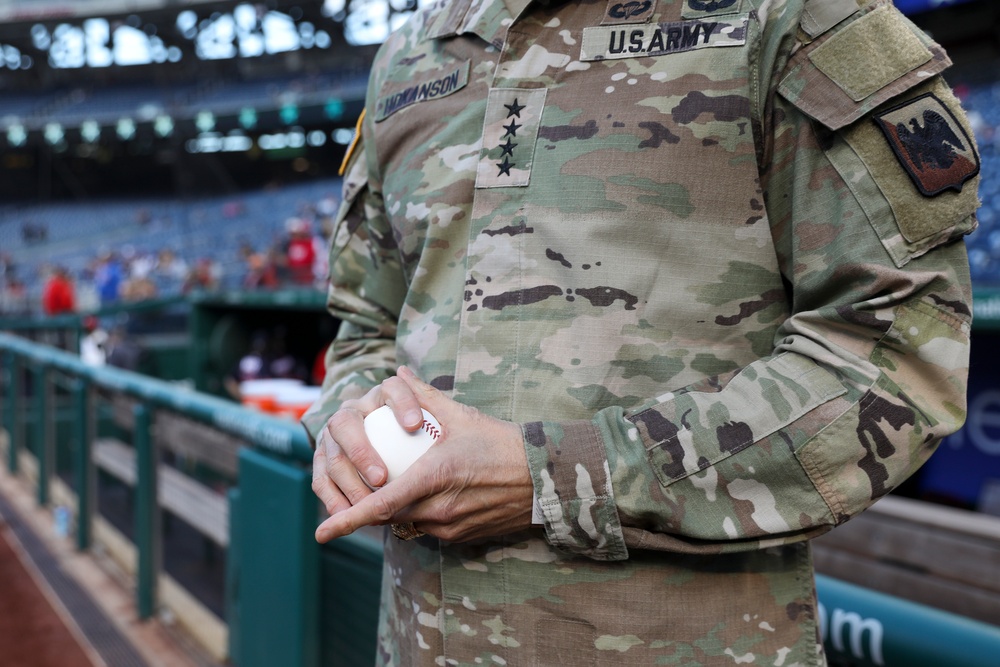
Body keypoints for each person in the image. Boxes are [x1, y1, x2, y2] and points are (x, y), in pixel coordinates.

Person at [305, 1, 980, 665]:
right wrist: (349, 426)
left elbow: (896, 352)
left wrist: (558, 476)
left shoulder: (792, 15)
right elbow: (367, 328)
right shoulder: (411, 51)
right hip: (420, 640)